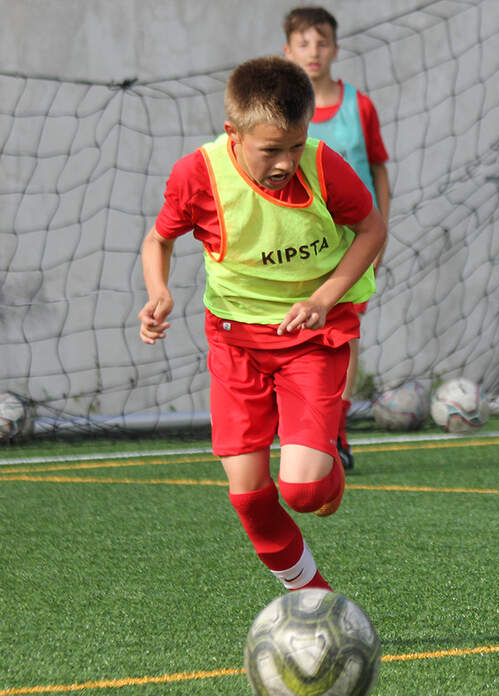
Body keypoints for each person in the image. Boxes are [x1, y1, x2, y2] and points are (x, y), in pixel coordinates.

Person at [138, 56, 386, 592]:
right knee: (249, 496)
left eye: (295, 145)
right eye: (270, 149)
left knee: (302, 492)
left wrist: (323, 297)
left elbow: (371, 228)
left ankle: (324, 472)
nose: (285, 161)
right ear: (234, 132)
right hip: (235, 346)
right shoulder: (196, 175)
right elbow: (159, 239)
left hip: (311, 340)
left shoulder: (324, 167)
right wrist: (158, 292)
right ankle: (313, 600)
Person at [283, 5, 391, 471]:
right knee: (294, 334)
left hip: (353, 245)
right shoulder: (281, 113)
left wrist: (381, 230)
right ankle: (301, 426)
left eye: (321, 42)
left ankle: (337, 429)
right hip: (296, 249)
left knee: (343, 336)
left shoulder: (358, 105)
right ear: (287, 51)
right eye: (303, 43)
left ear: (335, 48)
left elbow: (379, 172)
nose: (313, 52)